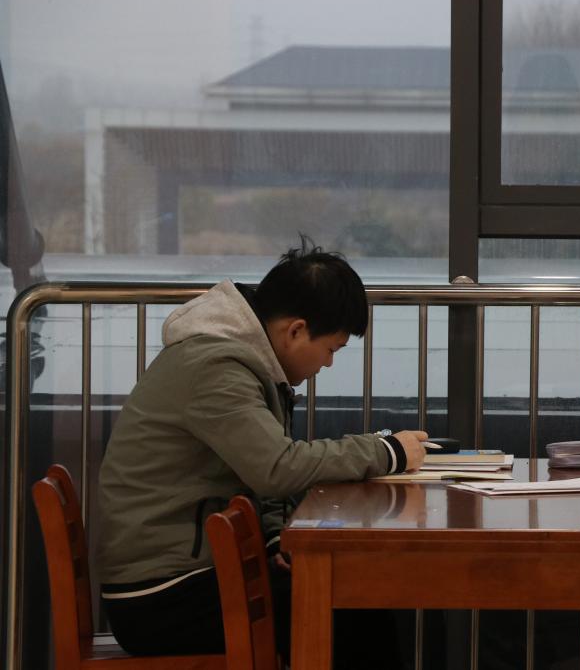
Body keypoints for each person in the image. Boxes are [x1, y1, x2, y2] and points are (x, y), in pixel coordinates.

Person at [96, 240, 428, 668]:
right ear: (296, 330)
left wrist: (274, 539)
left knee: (355, 600)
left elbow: (257, 476)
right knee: (348, 608)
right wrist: (387, 451)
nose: (327, 365)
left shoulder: (238, 362)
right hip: (162, 595)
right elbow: (276, 467)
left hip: (192, 574)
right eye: (331, 349)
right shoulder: (216, 369)